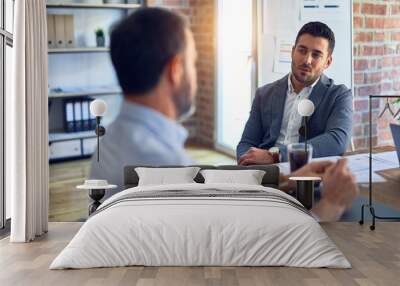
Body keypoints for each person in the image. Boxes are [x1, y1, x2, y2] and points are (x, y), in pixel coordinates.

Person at [90, 7, 197, 186]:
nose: (195, 74)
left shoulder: (107, 144)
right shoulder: (175, 169)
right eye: (192, 63)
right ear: (175, 69)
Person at [237, 22, 353, 165]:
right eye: (302, 51)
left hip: (307, 172)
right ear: (293, 52)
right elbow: (246, 143)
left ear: (327, 62)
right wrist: (248, 164)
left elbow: (337, 140)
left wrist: (276, 155)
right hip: (264, 172)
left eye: (316, 55)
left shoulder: (339, 95)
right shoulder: (264, 93)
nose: (307, 60)